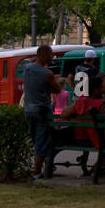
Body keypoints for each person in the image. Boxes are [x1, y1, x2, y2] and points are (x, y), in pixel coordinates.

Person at [22, 44, 64, 180]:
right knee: (42, 140)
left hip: (28, 109)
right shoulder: (47, 74)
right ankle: (37, 172)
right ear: (44, 54)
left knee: (35, 139)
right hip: (41, 110)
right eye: (51, 54)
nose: (52, 57)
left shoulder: (27, 69)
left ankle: (41, 168)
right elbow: (57, 89)